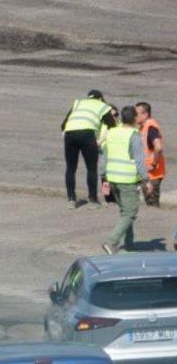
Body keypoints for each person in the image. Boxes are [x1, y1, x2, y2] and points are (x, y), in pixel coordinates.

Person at [101, 104, 150, 254]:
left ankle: (129, 243)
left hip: (113, 177)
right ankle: (112, 242)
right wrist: (146, 180)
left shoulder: (113, 132)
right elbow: (139, 160)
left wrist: (103, 177)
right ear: (135, 118)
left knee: (125, 212)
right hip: (126, 180)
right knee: (130, 212)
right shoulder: (133, 135)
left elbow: (104, 156)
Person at [62, 89, 110, 207]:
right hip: (87, 134)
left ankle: (71, 200)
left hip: (70, 133)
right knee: (91, 168)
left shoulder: (78, 103)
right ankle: (92, 200)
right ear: (100, 98)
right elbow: (111, 124)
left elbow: (63, 124)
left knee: (70, 168)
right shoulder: (103, 105)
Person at [138, 101, 165, 207]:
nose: (135, 116)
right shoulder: (145, 127)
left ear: (145, 114)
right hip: (148, 172)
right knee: (151, 203)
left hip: (152, 173)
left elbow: (158, 147)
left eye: (137, 114)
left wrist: (153, 164)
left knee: (152, 204)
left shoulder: (151, 127)